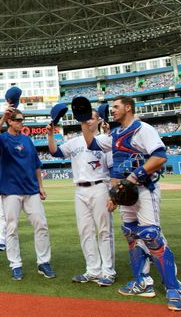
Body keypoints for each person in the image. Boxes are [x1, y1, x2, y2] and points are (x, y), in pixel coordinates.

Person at [93, 96, 181, 312]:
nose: (112, 110)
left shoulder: (143, 129)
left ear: (128, 107)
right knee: (131, 235)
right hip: (125, 193)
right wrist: (113, 196)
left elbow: (160, 157)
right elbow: (115, 167)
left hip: (144, 189)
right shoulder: (115, 134)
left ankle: (172, 287)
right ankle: (141, 281)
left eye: (116, 107)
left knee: (151, 235)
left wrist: (134, 177)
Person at [48, 109, 115, 286]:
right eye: (86, 117)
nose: (88, 121)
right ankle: (93, 270)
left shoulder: (106, 140)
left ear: (99, 120)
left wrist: (113, 194)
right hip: (80, 189)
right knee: (85, 231)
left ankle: (108, 271)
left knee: (104, 231)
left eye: (92, 118)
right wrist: (50, 135)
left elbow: (113, 168)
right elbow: (55, 152)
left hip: (100, 186)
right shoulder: (74, 142)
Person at [0, 107, 54, 281]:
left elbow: (36, 165)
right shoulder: (3, 139)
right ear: (10, 121)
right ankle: (15, 264)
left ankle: (43, 262)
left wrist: (41, 186)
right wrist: (2, 118)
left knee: (41, 224)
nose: (20, 122)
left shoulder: (28, 140)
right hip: (10, 190)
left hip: (31, 189)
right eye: (17, 120)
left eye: (22, 120)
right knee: (12, 228)